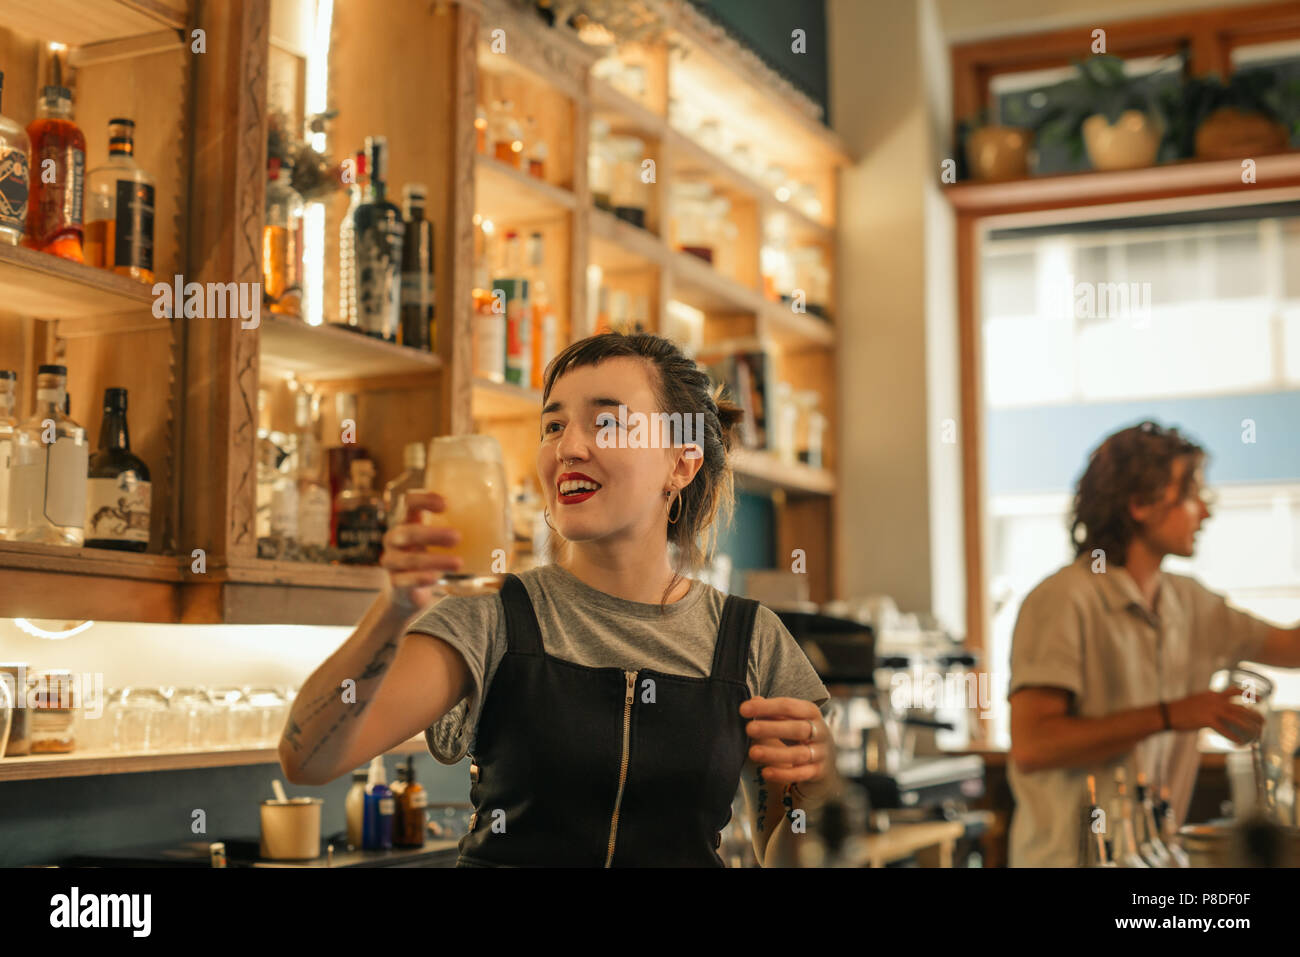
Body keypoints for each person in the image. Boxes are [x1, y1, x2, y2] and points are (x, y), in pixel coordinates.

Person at [280, 332, 844, 866]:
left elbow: (793, 853)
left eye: (606, 422)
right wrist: (395, 607)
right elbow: (310, 760)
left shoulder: (751, 638)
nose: (569, 447)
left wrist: (814, 785)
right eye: (553, 426)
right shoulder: (490, 617)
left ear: (680, 462)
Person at [1007, 421, 1300, 867]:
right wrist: (1174, 714)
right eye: (1193, 494)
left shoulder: (1191, 603)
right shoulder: (1063, 599)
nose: (1206, 512)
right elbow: (1034, 746)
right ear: (1140, 503)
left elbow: (1292, 648)